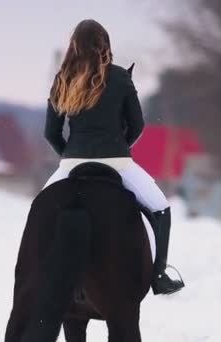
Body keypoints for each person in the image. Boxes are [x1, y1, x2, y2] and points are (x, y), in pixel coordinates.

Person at [42, 19, 184, 295]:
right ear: (105, 45)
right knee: (161, 208)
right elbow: (137, 125)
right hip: (118, 163)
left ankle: (44, 273)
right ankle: (159, 275)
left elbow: (51, 132)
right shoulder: (120, 77)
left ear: (74, 46)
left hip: (71, 165)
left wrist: (71, 157)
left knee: (41, 211)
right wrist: (119, 147)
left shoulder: (63, 79)